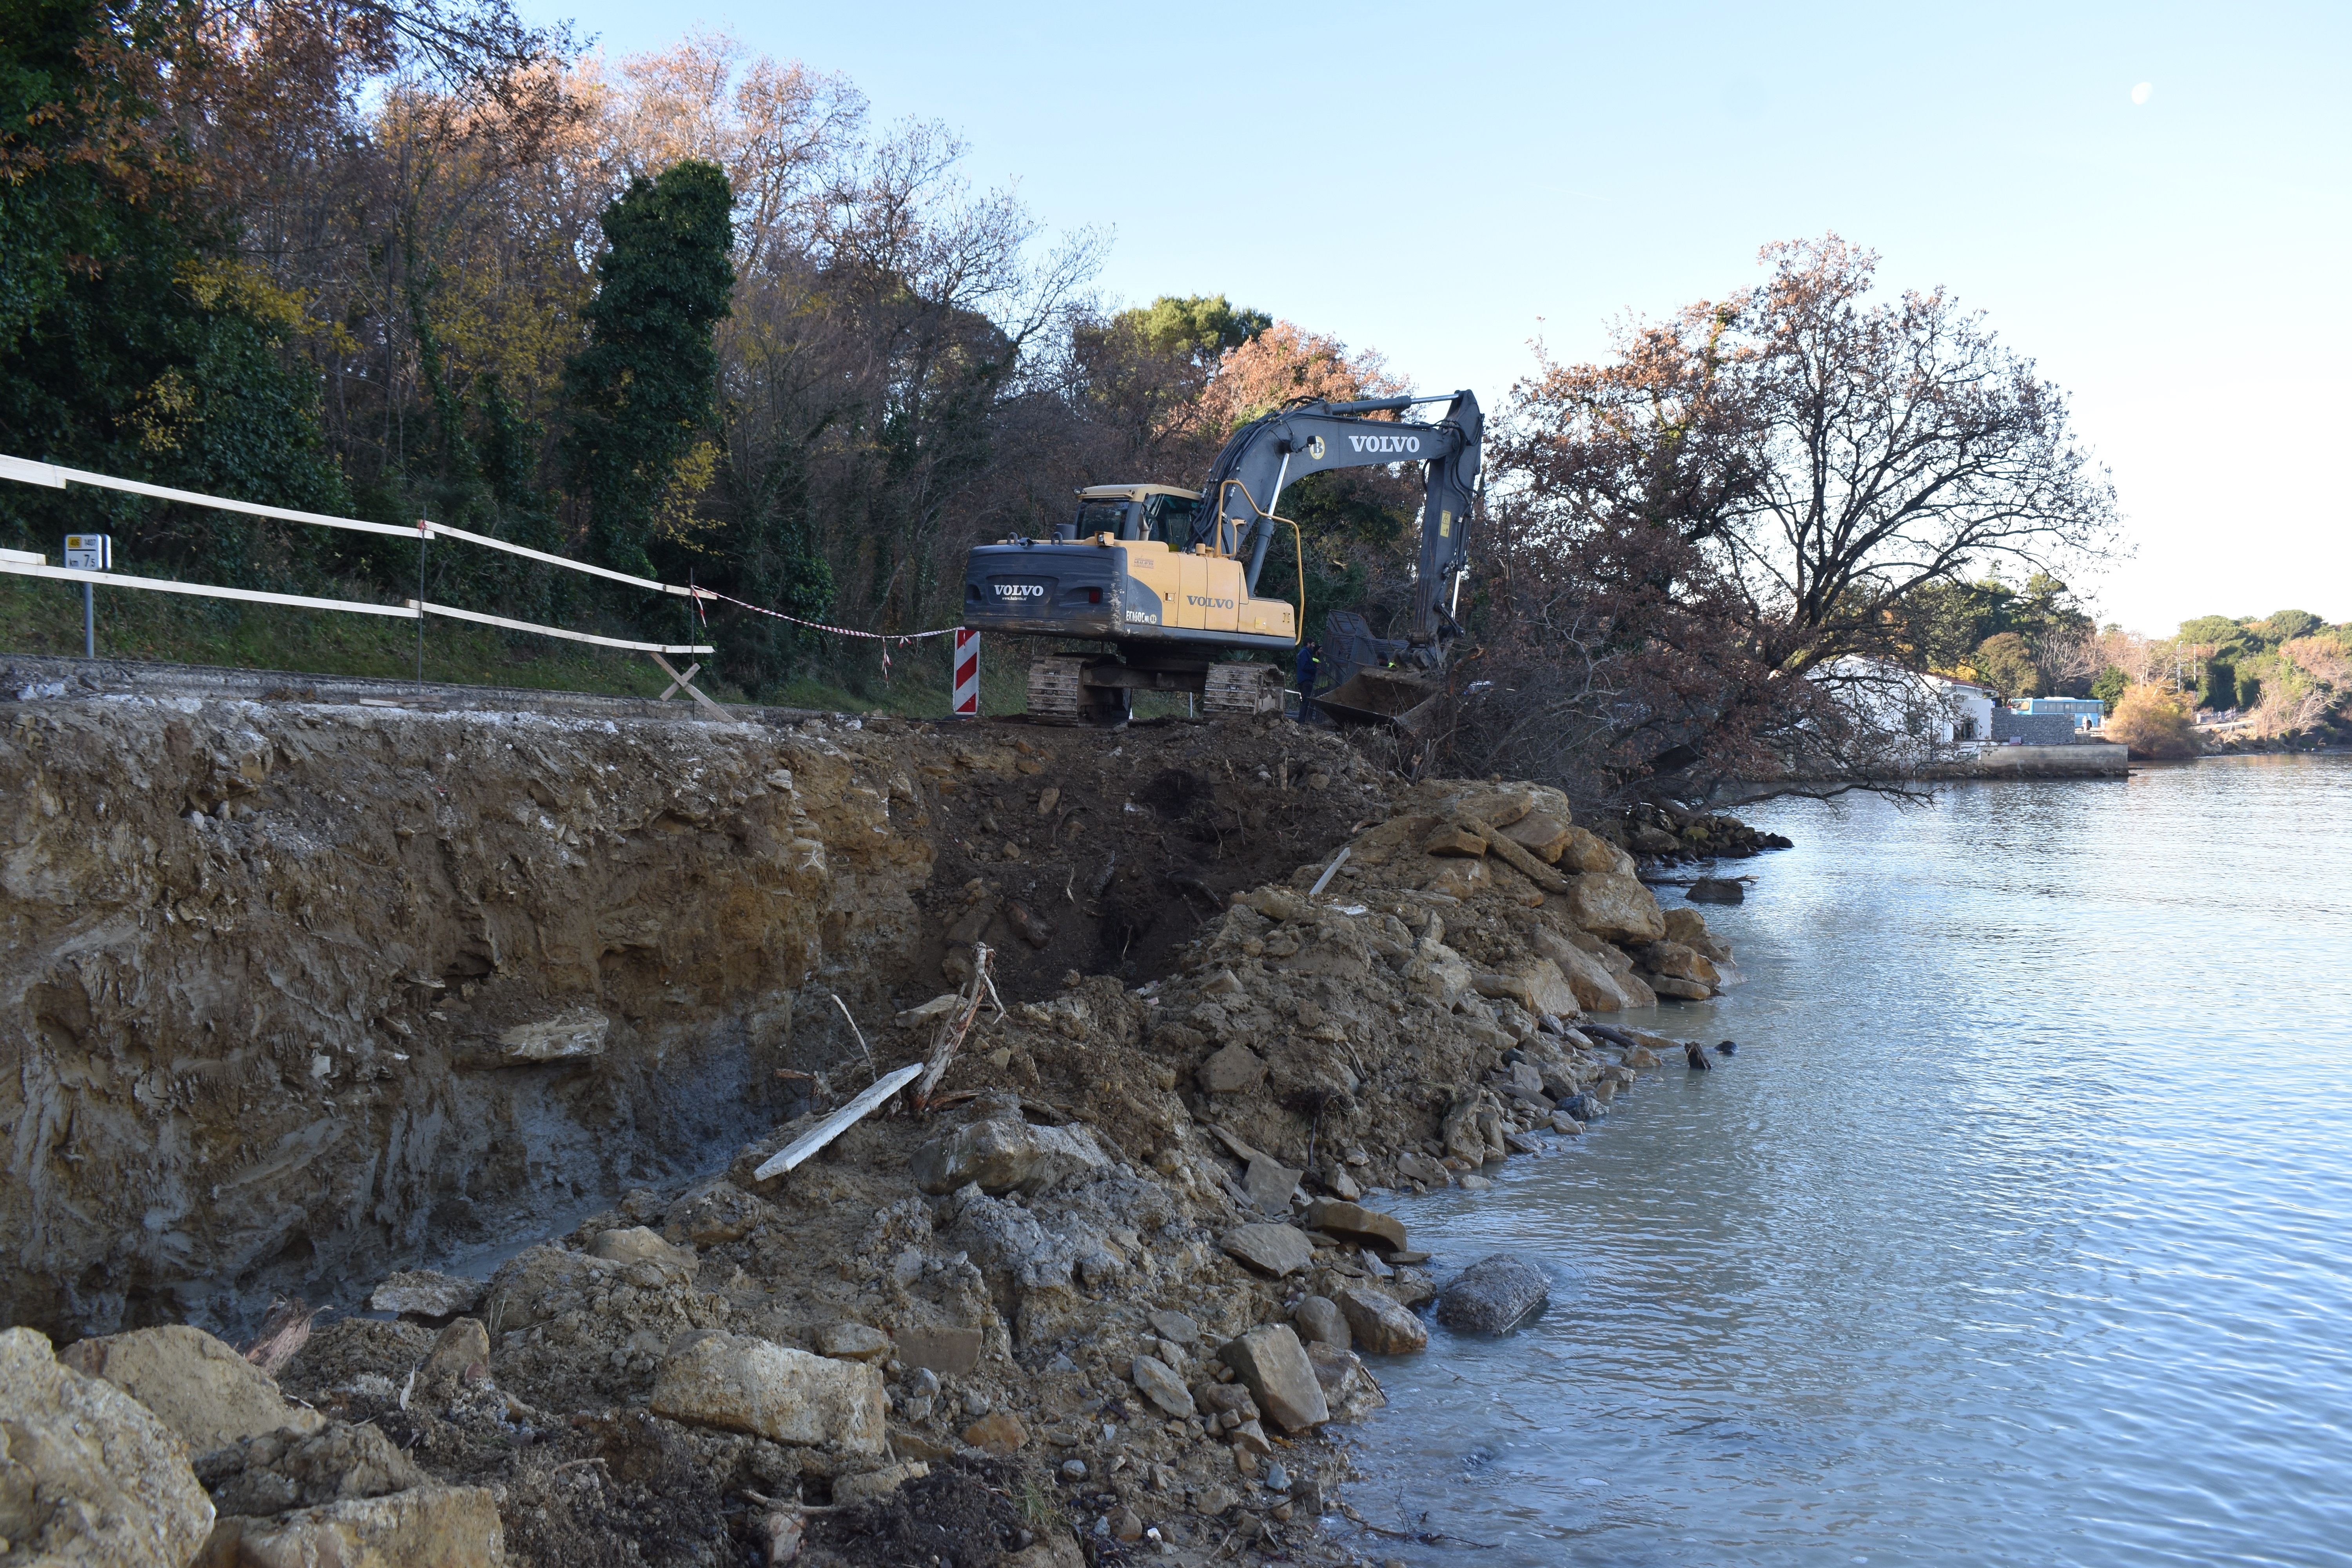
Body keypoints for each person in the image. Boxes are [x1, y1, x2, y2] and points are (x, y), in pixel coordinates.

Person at [1293, 638, 1320, 722]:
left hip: (1305, 680)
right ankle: (1303, 722)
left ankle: (1304, 721)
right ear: (1308, 644)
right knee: (1306, 702)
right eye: (1313, 644)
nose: (1314, 646)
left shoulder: (1305, 652)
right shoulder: (1305, 653)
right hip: (1306, 681)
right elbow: (1305, 666)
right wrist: (1316, 671)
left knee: (1307, 702)